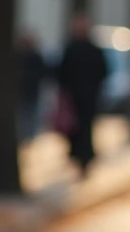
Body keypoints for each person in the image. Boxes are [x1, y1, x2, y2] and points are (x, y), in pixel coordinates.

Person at [56, 13, 107, 177]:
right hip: (82, 97)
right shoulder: (85, 49)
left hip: (83, 97)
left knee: (83, 129)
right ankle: (81, 157)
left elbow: (61, 74)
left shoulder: (75, 48)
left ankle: (82, 158)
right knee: (80, 129)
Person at [17, 31, 47, 143]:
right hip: (27, 91)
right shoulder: (24, 56)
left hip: (31, 90)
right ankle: (26, 135)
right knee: (26, 114)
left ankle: (28, 136)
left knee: (29, 114)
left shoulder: (34, 57)